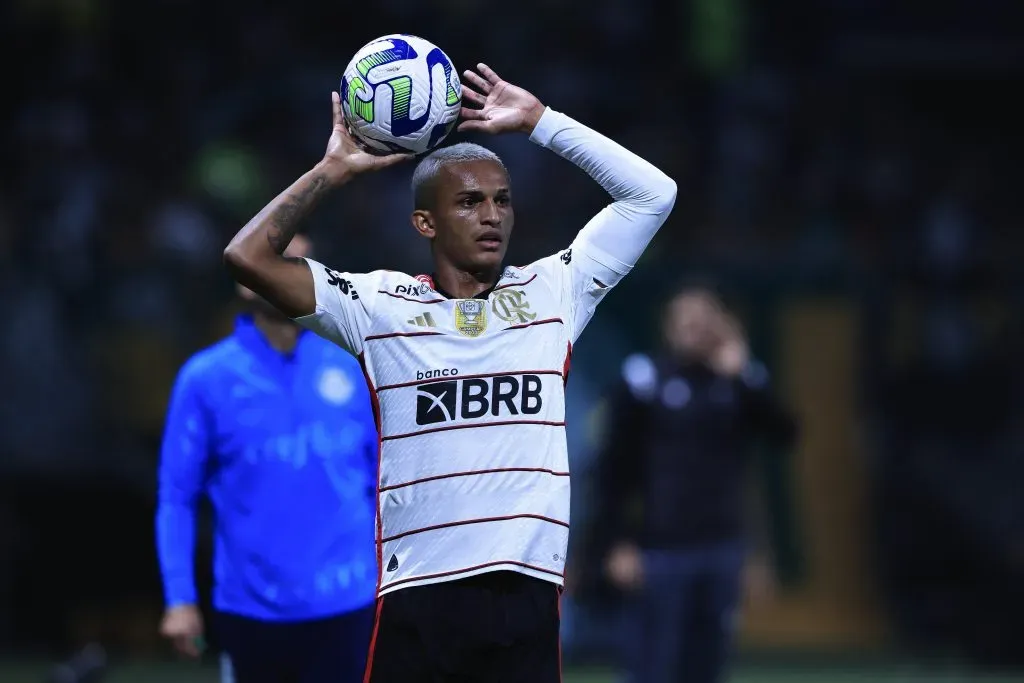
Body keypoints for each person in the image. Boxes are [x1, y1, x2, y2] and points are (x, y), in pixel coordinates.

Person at [222, 62, 677, 683]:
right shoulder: (377, 306)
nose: (491, 215)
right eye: (469, 202)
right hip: (419, 596)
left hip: (527, 596)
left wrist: (543, 123)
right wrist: (333, 169)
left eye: (501, 201)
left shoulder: (555, 292)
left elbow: (654, 194)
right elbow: (247, 257)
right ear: (425, 223)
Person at [156, 234, 379, 683]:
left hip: (351, 602)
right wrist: (180, 598)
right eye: (271, 262)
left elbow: (387, 481)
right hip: (249, 609)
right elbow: (177, 496)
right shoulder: (206, 378)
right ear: (245, 275)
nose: (282, 275)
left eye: (296, 264)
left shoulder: (356, 363)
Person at [581, 286, 797, 683]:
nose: (695, 330)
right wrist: (616, 542)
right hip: (659, 549)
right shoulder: (644, 380)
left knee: (706, 664)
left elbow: (784, 435)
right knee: (650, 665)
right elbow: (613, 470)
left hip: (721, 547)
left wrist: (745, 372)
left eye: (704, 321)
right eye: (687, 321)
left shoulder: (739, 382)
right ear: (669, 327)